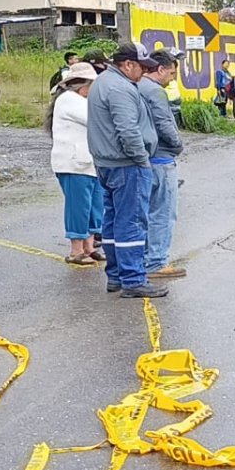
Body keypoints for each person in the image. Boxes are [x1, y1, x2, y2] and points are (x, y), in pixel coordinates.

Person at [87, 42, 166, 298]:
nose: (143, 72)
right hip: (126, 165)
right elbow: (128, 131)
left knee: (112, 222)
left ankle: (117, 276)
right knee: (131, 222)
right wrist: (142, 160)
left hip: (107, 163)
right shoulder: (120, 88)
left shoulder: (102, 82)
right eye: (141, 67)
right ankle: (132, 279)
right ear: (127, 64)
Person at [48, 62, 103, 265]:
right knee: (78, 207)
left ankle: (89, 247)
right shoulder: (69, 99)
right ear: (82, 84)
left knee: (94, 206)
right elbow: (96, 119)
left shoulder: (79, 99)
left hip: (88, 163)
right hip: (73, 163)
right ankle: (76, 250)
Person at [140, 49, 186, 281]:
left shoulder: (136, 87)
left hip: (145, 158)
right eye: (171, 72)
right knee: (163, 212)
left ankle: (145, 257)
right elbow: (164, 123)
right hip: (161, 158)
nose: (172, 78)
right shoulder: (155, 92)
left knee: (147, 212)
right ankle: (156, 261)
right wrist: (178, 144)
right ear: (160, 69)